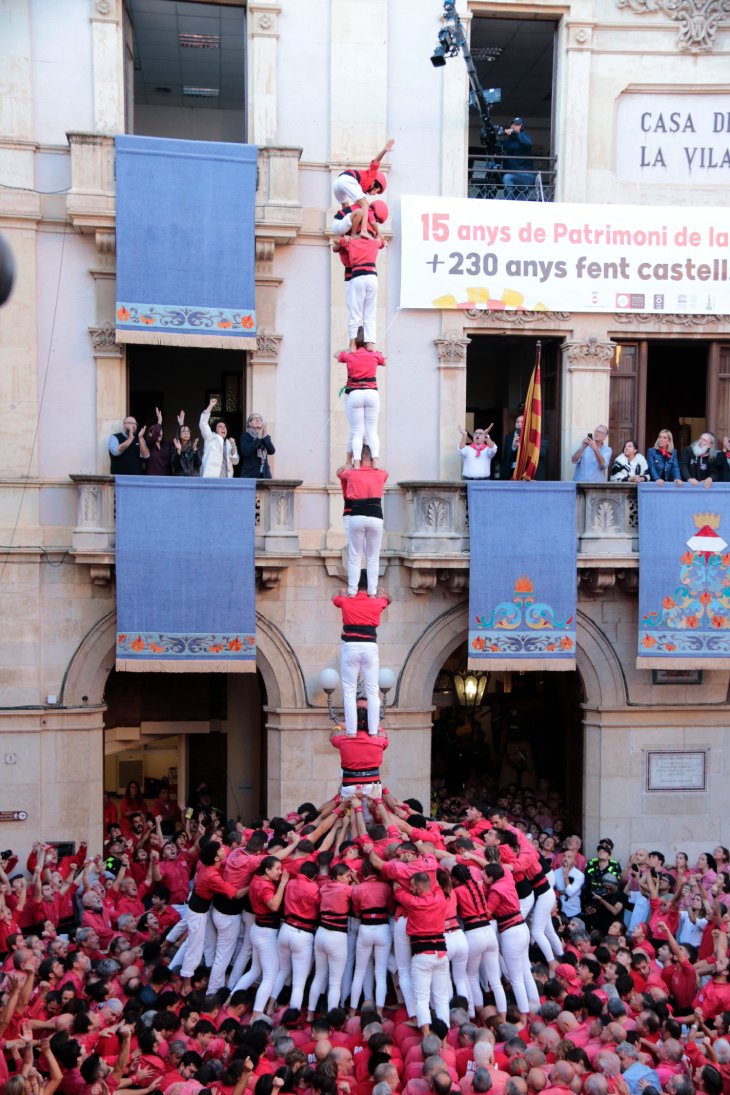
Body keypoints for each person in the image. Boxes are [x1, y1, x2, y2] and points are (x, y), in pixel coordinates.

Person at [332, 573, 391, 736]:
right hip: (370, 647)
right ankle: (373, 731)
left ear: (354, 585)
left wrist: (342, 590)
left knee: (349, 691)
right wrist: (381, 592)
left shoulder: (346, 600)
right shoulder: (376, 601)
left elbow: (334, 597)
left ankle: (351, 731)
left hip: (350, 647)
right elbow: (389, 600)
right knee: (372, 691)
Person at [338, 448, 388, 596]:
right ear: (373, 459)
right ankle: (372, 592)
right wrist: (375, 464)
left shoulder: (351, 473)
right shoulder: (381, 473)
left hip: (357, 515)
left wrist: (350, 462)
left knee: (355, 557)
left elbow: (339, 472)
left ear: (358, 458)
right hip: (375, 516)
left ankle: (352, 591)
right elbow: (386, 473)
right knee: (373, 558)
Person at [337, 335, 386, 468]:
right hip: (371, 393)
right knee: (372, 431)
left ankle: (357, 462)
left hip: (355, 394)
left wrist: (349, 348)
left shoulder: (350, 355)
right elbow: (384, 361)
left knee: (357, 431)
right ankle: (375, 461)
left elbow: (336, 355)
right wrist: (374, 350)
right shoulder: (375, 354)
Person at [332, 139, 394, 238]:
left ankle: (346, 229)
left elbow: (348, 206)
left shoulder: (361, 188)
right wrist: (385, 150)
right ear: (376, 184)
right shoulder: (372, 175)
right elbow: (376, 161)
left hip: (337, 182)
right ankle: (363, 231)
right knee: (365, 204)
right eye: (376, 192)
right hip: (347, 179)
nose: (373, 194)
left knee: (345, 205)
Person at [335, 231, 386, 351]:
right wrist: (375, 235)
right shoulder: (373, 242)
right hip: (371, 276)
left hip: (356, 276)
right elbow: (382, 241)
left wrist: (351, 238)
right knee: (370, 313)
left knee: (355, 313)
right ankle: (370, 343)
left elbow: (336, 242)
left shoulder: (352, 242)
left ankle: (353, 344)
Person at [199, 398, 239, 478]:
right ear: (215, 430)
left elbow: (235, 461)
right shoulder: (210, 437)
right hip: (211, 477)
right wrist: (210, 406)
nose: (223, 428)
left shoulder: (229, 442)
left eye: (224, 427)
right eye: (220, 426)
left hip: (227, 478)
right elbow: (203, 423)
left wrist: (233, 445)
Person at [499, 118, 534, 200]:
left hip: (525, 176)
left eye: (516, 125)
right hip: (513, 177)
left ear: (521, 126)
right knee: (520, 202)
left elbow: (529, 143)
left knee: (507, 177)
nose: (513, 126)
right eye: (512, 124)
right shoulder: (508, 141)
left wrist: (515, 133)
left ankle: (508, 204)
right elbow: (498, 147)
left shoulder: (524, 136)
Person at [239, 412, 276, 479]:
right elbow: (245, 452)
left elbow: (272, 451)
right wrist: (258, 438)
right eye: (254, 418)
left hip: (264, 475)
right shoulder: (245, 436)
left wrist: (264, 435)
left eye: (259, 418)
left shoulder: (265, 437)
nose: (258, 420)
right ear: (249, 423)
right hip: (249, 475)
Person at [171, 411, 201, 477]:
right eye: (183, 431)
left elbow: (198, 463)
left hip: (193, 478)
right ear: (179, 434)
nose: (186, 433)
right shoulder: (176, 446)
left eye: (188, 431)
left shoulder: (193, 446)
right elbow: (174, 465)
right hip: (180, 478)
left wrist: (195, 450)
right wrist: (178, 451)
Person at [146, 407, 173, 476]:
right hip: (152, 479)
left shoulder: (167, 445)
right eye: (157, 431)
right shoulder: (148, 445)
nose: (159, 433)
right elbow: (154, 438)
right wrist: (159, 421)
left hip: (167, 478)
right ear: (150, 434)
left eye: (161, 431)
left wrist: (181, 425)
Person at [501, 414, 524, 480]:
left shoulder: (531, 438)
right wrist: (514, 447)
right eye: (517, 422)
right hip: (510, 471)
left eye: (522, 422)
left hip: (524, 472)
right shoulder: (508, 438)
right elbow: (506, 456)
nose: (519, 424)